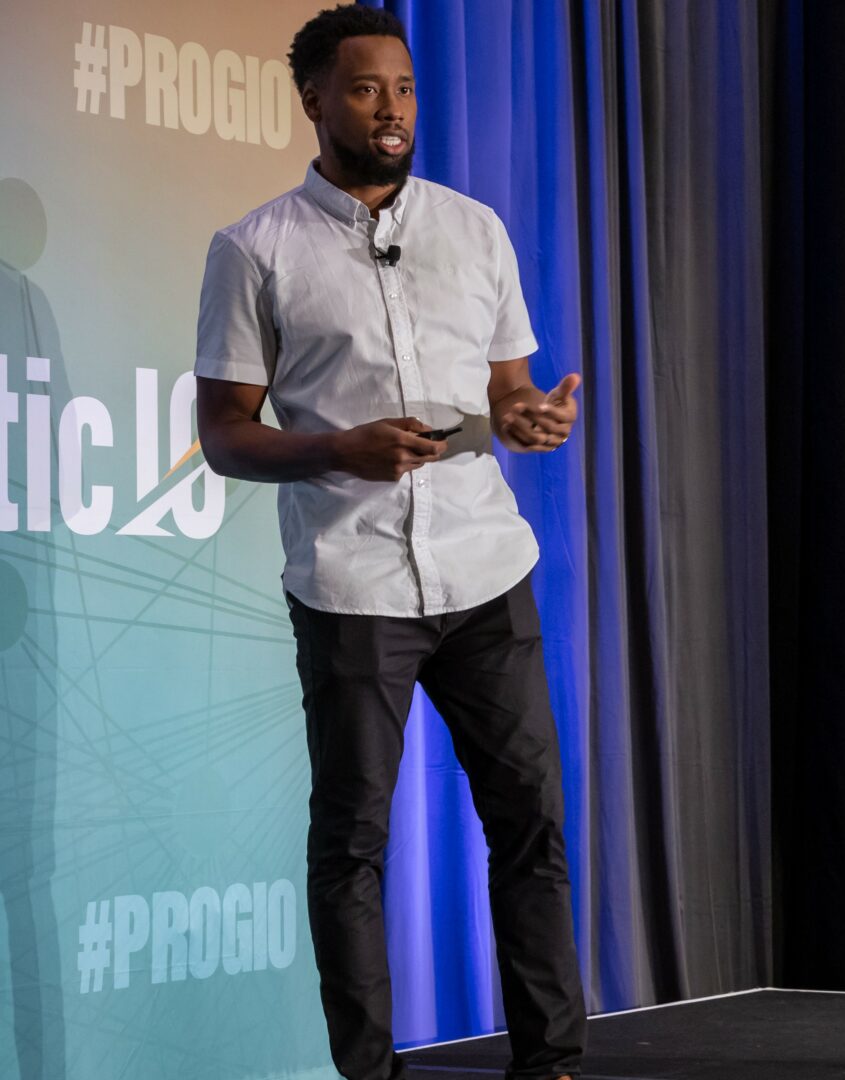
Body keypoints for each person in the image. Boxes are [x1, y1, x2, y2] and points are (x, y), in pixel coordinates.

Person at [193, 7, 584, 1079]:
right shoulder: (254, 250)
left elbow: (505, 392)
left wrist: (528, 419)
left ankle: (552, 1063)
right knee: (352, 844)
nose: (393, 109)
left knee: (533, 825)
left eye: (404, 87)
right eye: (366, 89)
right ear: (314, 100)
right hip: (353, 581)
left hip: (485, 570)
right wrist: (338, 450)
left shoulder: (475, 229)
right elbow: (224, 436)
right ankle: (370, 1073)